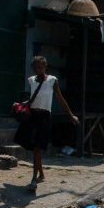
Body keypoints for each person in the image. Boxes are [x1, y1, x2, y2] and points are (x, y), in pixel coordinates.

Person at [15, 56, 78, 190]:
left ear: (45, 67)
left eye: (41, 67)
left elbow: (60, 99)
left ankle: (34, 179)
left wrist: (70, 115)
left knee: (38, 147)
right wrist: (21, 105)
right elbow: (32, 99)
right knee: (34, 147)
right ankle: (41, 174)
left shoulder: (52, 81)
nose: (39, 69)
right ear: (33, 68)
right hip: (32, 116)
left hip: (44, 117)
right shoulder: (31, 80)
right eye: (36, 67)